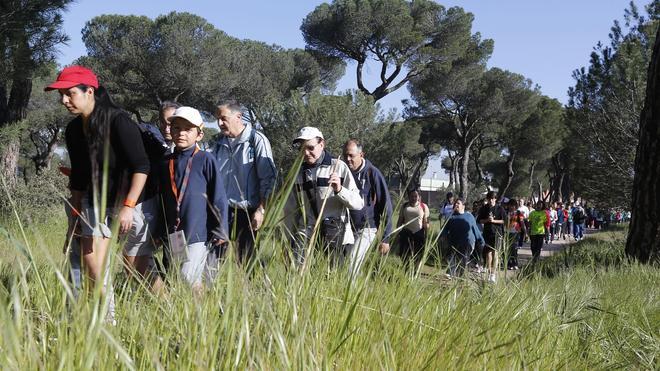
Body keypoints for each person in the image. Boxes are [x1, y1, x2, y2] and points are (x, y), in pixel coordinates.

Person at [47, 65, 150, 324]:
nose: (64, 100)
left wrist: (128, 205)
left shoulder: (118, 120)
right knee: (88, 264)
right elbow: (79, 176)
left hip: (127, 200)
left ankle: (116, 320)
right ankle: (96, 321)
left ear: (89, 91)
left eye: (70, 94)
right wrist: (74, 217)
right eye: (61, 95)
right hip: (93, 202)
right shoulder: (73, 129)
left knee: (118, 265)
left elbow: (141, 165)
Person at [159, 106, 229, 294]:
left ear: (199, 134)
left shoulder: (206, 159)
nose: (181, 133)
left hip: (198, 232)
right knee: (178, 280)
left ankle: (203, 318)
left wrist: (221, 230)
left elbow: (219, 196)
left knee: (189, 278)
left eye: (188, 129)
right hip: (174, 234)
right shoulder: (166, 162)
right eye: (176, 128)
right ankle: (195, 318)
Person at [283, 127, 363, 267]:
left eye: (310, 147)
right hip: (305, 233)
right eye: (302, 149)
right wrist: (288, 240)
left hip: (335, 234)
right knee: (297, 276)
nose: (306, 153)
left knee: (331, 279)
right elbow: (290, 210)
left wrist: (339, 189)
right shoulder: (297, 174)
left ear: (322, 144)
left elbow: (358, 203)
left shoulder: (338, 167)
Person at [212, 100, 277, 265]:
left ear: (238, 117)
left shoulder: (257, 140)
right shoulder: (217, 144)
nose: (220, 123)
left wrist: (261, 210)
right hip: (222, 213)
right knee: (213, 261)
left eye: (223, 118)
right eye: (217, 119)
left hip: (247, 212)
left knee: (247, 262)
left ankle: (256, 291)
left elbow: (268, 178)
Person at [342, 139, 393, 276]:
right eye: (345, 155)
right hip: (346, 228)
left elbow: (385, 204)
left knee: (351, 262)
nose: (347, 159)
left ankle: (348, 295)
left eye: (351, 156)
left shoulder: (372, 173)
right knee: (344, 265)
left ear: (361, 155)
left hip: (367, 228)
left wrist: (386, 238)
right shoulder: (343, 172)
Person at [441, 198, 484, 278]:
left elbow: (475, 229)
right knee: (453, 258)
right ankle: (451, 273)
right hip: (454, 243)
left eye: (458, 203)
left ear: (463, 206)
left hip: (467, 242)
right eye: (455, 203)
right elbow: (444, 230)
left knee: (463, 259)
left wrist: (481, 240)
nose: (456, 205)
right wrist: (442, 238)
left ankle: (459, 278)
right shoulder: (450, 217)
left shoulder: (469, 216)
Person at [477, 191, 505, 283]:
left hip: (497, 234)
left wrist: (494, 221)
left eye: (493, 198)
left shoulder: (500, 208)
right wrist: (487, 220)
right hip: (487, 233)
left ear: (495, 199)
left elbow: (504, 221)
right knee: (488, 254)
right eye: (489, 199)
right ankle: (489, 273)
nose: (491, 200)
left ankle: (493, 274)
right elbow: (479, 220)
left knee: (495, 253)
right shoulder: (484, 208)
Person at [397, 189, 430, 267]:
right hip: (406, 234)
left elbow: (426, 222)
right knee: (404, 254)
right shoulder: (404, 206)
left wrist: (427, 235)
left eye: (415, 196)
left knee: (418, 255)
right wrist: (397, 233)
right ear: (409, 197)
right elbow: (400, 221)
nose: (413, 198)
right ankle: (406, 269)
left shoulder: (423, 206)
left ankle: (415, 271)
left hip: (419, 234)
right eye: (412, 196)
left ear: (419, 197)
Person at [506, 198, 525, 270]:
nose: (511, 207)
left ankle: (515, 263)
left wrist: (525, 232)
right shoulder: (506, 212)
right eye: (510, 205)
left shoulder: (518, 213)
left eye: (513, 205)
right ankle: (509, 263)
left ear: (515, 206)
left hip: (516, 233)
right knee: (508, 249)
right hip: (507, 232)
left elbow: (522, 223)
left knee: (514, 248)